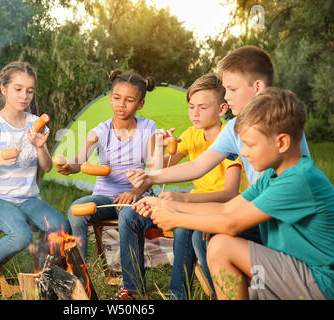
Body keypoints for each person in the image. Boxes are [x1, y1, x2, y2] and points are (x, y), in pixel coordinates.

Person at [133, 88, 334, 300]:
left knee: (221, 246)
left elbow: (231, 223)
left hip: (319, 283)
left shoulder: (299, 179)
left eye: (249, 145)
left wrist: (175, 219)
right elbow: (226, 208)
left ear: (282, 142)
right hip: (294, 274)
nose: (243, 153)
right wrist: (166, 205)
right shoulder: (272, 177)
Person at [127, 45, 311, 196]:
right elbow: (197, 165)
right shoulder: (233, 127)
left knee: (212, 234)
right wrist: (150, 176)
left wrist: (187, 203)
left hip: (271, 211)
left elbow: (261, 190)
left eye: (232, 89)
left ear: (257, 87)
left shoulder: (281, 121)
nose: (226, 96)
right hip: (257, 208)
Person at [0, 61, 71, 296]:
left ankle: (46, 279)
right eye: (18, 89)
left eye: (30, 91)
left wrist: (41, 147)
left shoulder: (35, 123)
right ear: (3, 89)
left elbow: (47, 167)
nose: (25, 96)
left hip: (28, 198)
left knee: (60, 225)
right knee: (21, 235)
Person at [146, 74, 250, 299]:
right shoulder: (192, 134)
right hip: (198, 201)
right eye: (191, 106)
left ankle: (219, 292)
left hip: (227, 205)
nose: (195, 113)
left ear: (222, 109)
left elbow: (230, 194)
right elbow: (159, 172)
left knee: (194, 234)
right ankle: (178, 294)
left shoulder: (228, 137)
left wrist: (181, 200)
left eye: (202, 107)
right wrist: (157, 148)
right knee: (183, 229)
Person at [57, 69, 158, 299]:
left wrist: (135, 191)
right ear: (110, 97)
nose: (121, 104)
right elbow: (79, 159)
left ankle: (131, 288)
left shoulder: (148, 128)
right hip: (105, 197)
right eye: (116, 97)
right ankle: (79, 281)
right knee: (76, 211)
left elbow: (153, 169)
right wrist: (68, 165)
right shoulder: (100, 131)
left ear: (140, 104)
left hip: (138, 195)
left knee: (127, 215)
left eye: (129, 100)